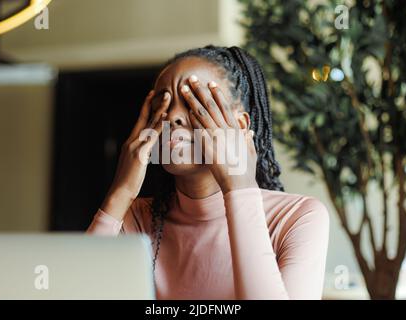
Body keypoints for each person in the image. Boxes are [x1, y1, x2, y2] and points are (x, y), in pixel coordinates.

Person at [87, 45, 329, 300]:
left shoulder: (297, 218)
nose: (173, 116)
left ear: (240, 125)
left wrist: (239, 187)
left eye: (195, 100)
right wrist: (120, 193)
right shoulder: (135, 218)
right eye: (163, 104)